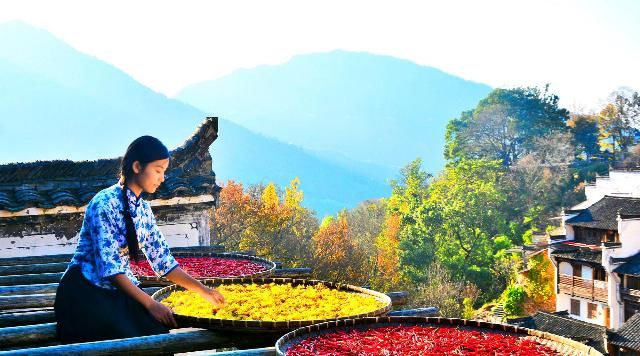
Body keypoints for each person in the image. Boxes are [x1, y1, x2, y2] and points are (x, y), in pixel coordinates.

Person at [54, 135, 225, 343]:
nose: (162, 178)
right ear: (137, 166)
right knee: (128, 339)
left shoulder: (143, 210)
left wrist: (204, 291)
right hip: (86, 293)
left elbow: (164, 262)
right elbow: (111, 270)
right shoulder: (103, 203)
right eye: (158, 170)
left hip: (118, 291)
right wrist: (151, 304)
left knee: (159, 335)